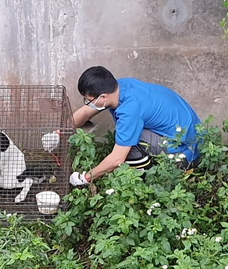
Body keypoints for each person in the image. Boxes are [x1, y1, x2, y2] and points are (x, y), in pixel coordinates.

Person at [68, 66, 202, 187]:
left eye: (88, 100)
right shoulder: (122, 86)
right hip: (193, 138)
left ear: (103, 97)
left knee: (128, 141)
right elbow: (86, 112)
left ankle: (142, 180)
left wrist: (85, 178)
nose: (87, 103)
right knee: (128, 134)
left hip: (186, 153)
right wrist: (60, 132)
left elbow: (116, 159)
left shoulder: (129, 112)